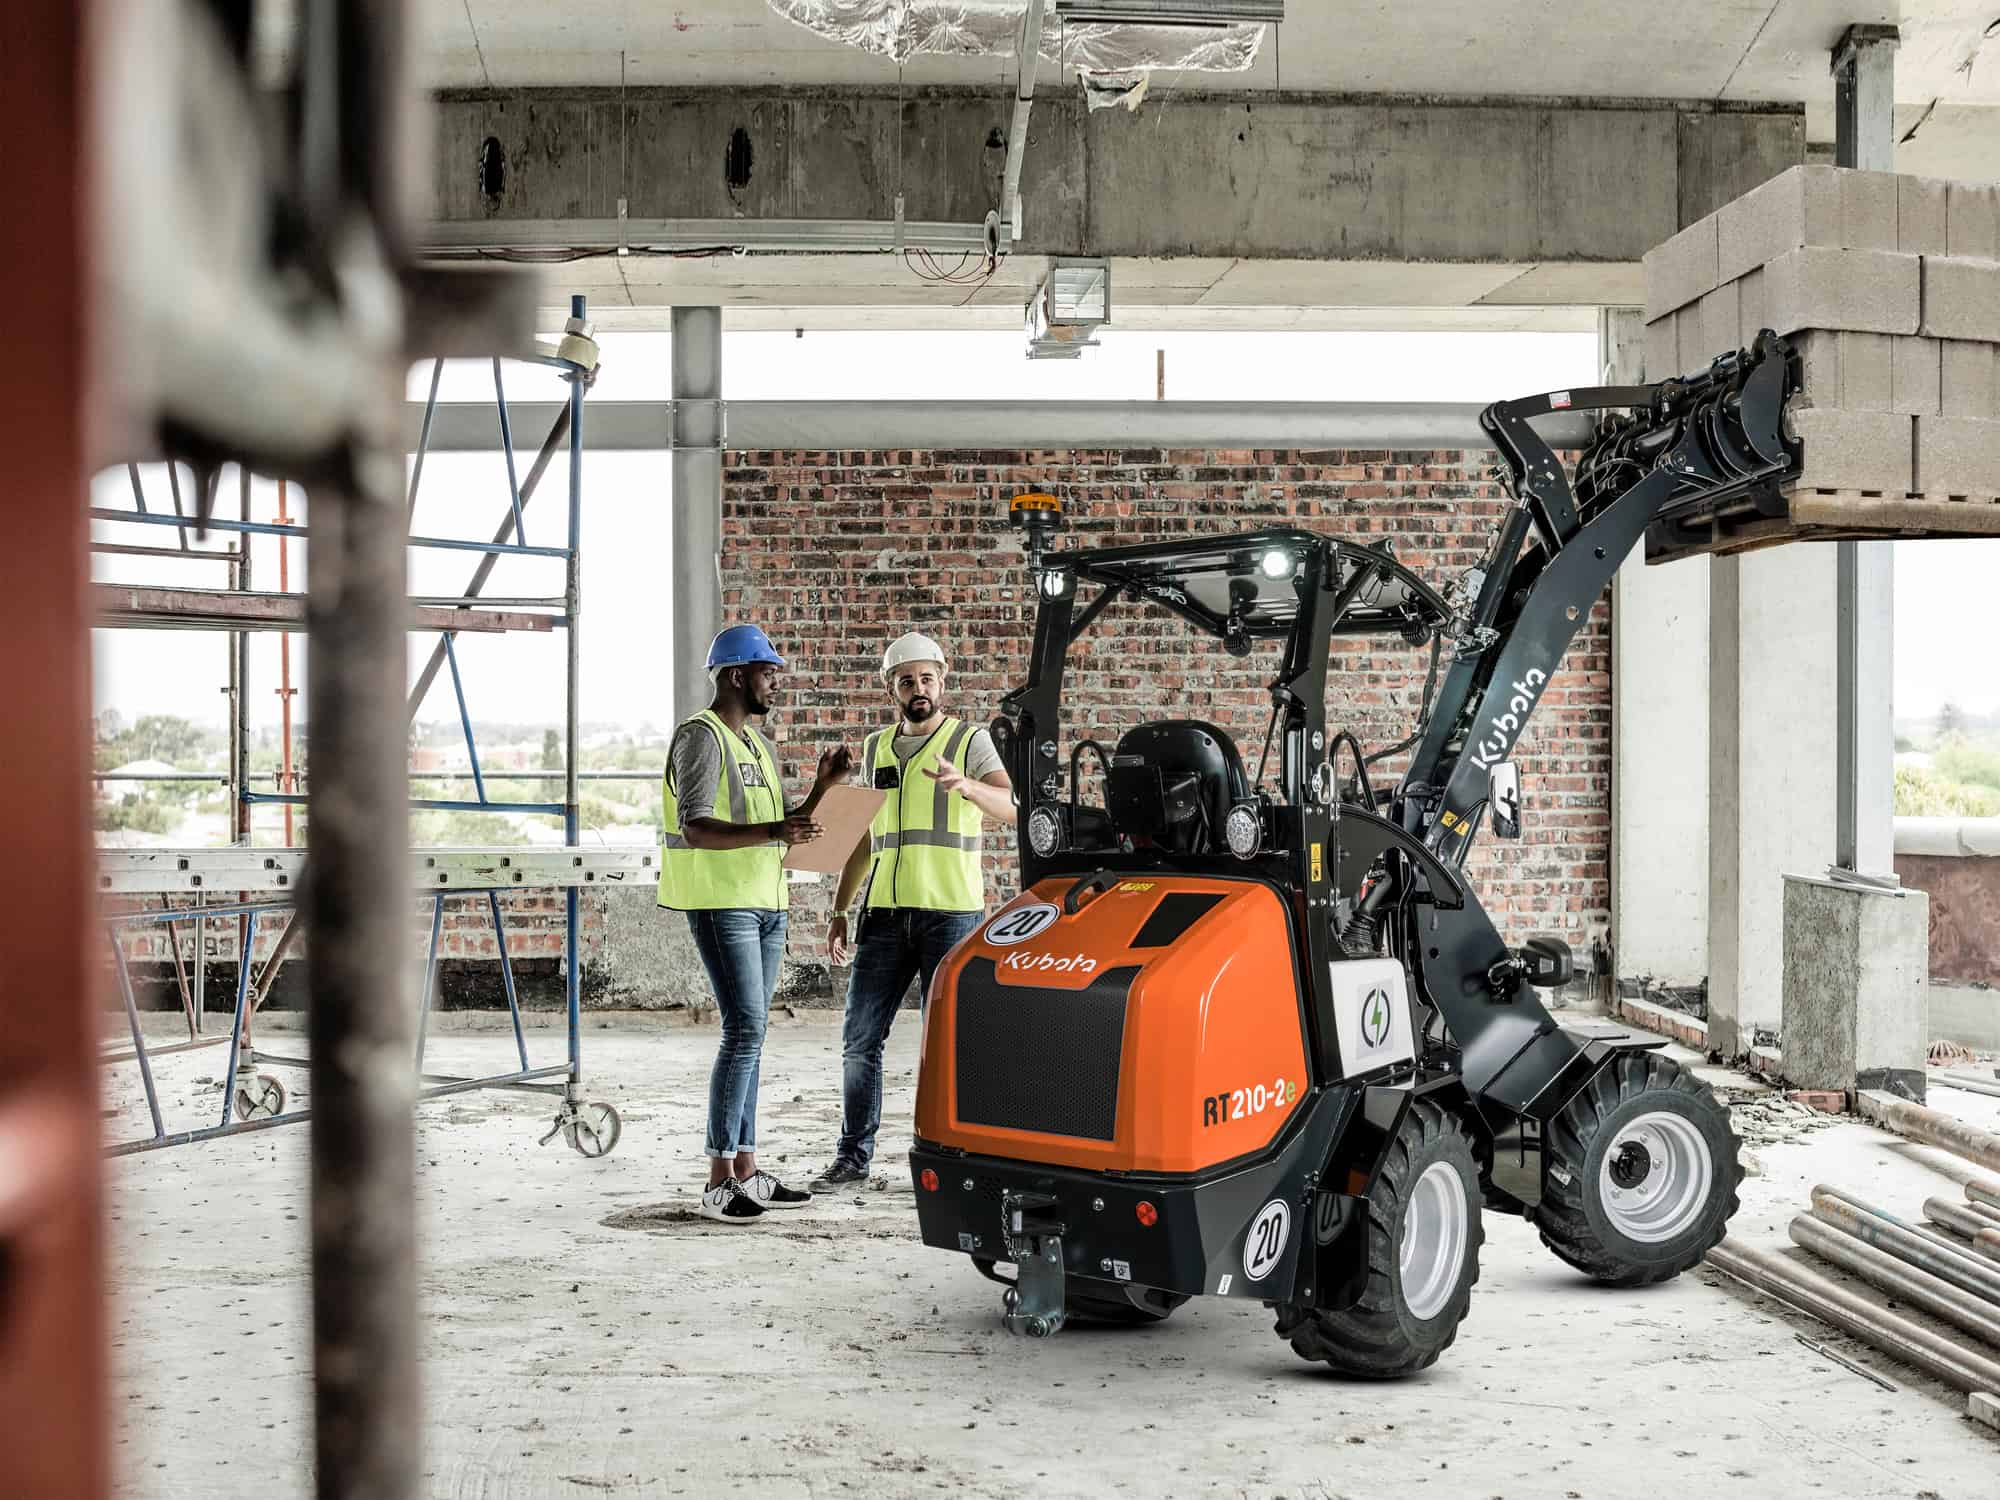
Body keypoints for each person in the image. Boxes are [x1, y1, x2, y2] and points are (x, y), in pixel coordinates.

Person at [808, 632, 1015, 1193]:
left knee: (946, 1042)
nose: (917, 689)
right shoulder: (875, 749)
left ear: (942, 681)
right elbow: (862, 840)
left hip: (949, 914)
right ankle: (852, 1158)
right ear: (890, 688)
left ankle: (953, 1157)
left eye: (927, 679)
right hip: (882, 916)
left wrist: (966, 785)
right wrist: (841, 909)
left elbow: (1009, 807)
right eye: (906, 680)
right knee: (859, 1038)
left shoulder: (968, 740)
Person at [659, 623, 852, 1225]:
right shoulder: (701, 738)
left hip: (767, 902)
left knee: (754, 1034)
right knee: (743, 1030)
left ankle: (746, 1169)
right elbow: (696, 826)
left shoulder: (758, 747)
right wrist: (777, 831)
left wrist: (824, 787)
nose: (776, 682)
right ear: (738, 675)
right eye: (769, 672)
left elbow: (784, 824)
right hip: (723, 903)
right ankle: (718, 1179)